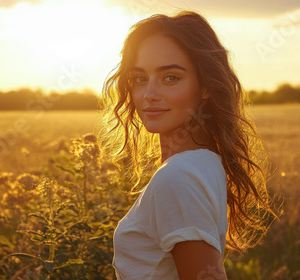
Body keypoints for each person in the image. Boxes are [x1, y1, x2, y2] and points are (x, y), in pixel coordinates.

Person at [98, 10, 275, 280]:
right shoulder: (204, 162)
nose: (149, 95)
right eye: (139, 78)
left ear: (205, 87)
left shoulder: (178, 176)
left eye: (171, 77)